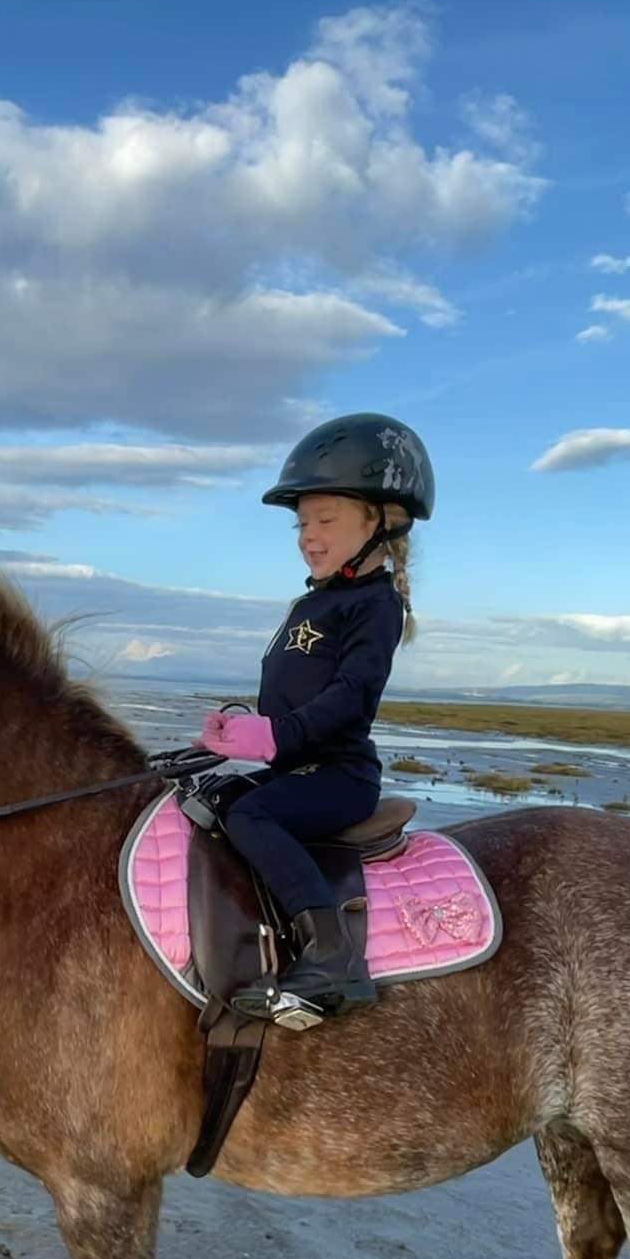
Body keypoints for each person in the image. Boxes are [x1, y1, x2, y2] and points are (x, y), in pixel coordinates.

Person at [197, 412, 433, 1021]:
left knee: (250, 815)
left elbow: (350, 698)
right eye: (303, 523)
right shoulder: (315, 602)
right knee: (211, 799)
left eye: (326, 520)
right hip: (297, 766)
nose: (308, 534)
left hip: (339, 776)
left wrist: (275, 737)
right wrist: (238, 732)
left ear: (380, 521)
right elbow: (291, 697)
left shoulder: (375, 605)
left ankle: (330, 954)